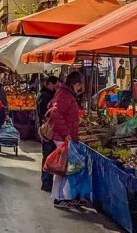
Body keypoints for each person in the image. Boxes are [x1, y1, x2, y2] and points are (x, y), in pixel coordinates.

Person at [49, 71, 84, 208]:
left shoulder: (68, 94)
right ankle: (58, 198)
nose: (81, 88)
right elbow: (56, 113)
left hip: (67, 137)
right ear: (75, 84)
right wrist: (66, 133)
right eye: (80, 85)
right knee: (62, 169)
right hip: (62, 138)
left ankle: (68, 196)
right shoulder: (64, 95)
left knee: (68, 169)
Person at [36, 75, 59, 192]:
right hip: (48, 130)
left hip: (46, 129)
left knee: (48, 155)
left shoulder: (43, 94)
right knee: (48, 155)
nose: (57, 87)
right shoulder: (46, 96)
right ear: (50, 84)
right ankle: (46, 181)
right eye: (55, 85)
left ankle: (46, 180)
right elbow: (43, 113)